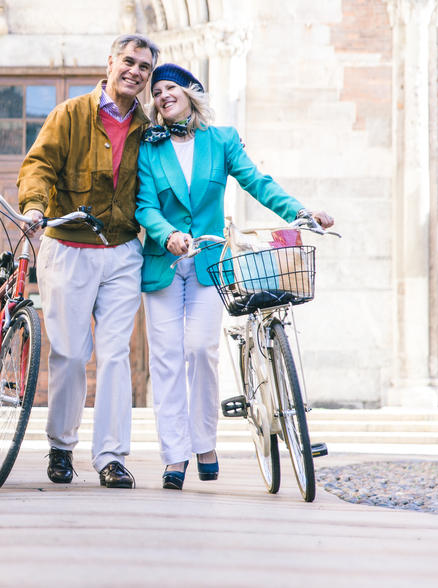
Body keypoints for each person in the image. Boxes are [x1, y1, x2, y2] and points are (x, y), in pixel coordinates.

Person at [134, 64, 334, 490]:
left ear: (191, 92)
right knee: (166, 359)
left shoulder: (221, 139)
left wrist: (300, 212)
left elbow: (257, 182)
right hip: (162, 262)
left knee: (201, 349)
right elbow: (145, 205)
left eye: (170, 87)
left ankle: (205, 444)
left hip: (209, 263)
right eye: (157, 91)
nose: (162, 95)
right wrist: (167, 234)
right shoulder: (150, 147)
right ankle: (174, 456)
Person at [17, 34, 159, 488]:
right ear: (110, 63)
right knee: (70, 353)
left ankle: (111, 457)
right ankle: (61, 447)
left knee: (116, 354)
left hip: (122, 251)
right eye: (128, 61)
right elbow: (39, 164)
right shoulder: (71, 114)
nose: (135, 72)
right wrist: (34, 206)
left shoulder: (148, 127)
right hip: (68, 247)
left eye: (144, 67)